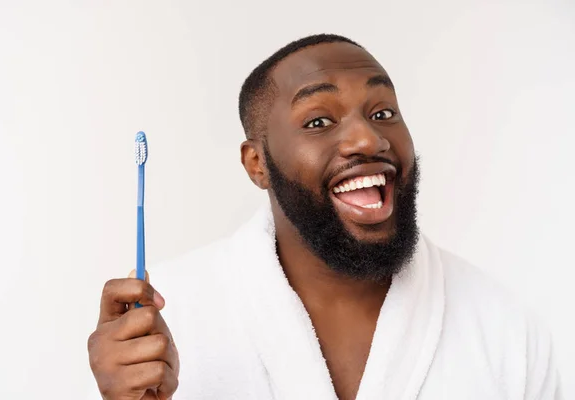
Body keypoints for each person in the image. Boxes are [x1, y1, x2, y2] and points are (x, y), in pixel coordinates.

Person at [87, 34, 562, 400]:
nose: (368, 140)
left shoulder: (504, 329)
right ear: (257, 164)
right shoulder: (168, 318)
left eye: (383, 112)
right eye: (319, 121)